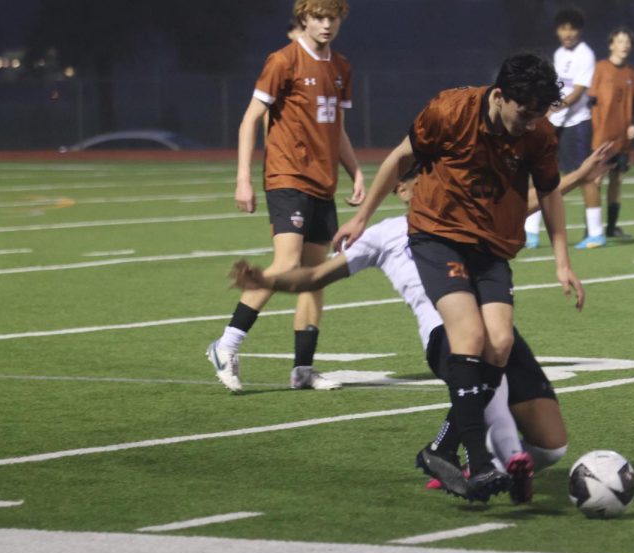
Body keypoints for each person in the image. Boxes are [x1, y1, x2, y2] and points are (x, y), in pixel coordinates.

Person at [229, 147, 609, 502]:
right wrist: (266, 280)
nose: (433, 182)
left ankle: (465, 457)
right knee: (481, 356)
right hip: (446, 333)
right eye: (422, 176)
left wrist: (578, 176)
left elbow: (521, 204)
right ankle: (500, 459)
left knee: (551, 445)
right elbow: (314, 278)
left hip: (496, 329)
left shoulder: (461, 215)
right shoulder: (384, 235)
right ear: (403, 189)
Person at [332, 54, 584, 502]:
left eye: (539, 114)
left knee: (500, 343)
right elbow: (398, 158)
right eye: (525, 113)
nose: (530, 124)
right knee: (468, 336)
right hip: (437, 236)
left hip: (491, 246)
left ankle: (441, 449)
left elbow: (549, 194)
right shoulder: (450, 110)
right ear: (501, 96)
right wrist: (362, 218)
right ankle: (480, 462)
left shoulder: (539, 132)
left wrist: (562, 261)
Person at [205, 0, 365, 394]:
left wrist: (356, 171)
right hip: (287, 177)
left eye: (333, 18)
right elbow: (250, 119)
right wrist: (243, 178)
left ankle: (303, 370)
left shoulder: (341, 67)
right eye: (319, 17)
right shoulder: (283, 61)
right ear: (303, 19)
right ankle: (226, 345)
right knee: (287, 264)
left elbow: (336, 128)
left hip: (322, 184)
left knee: (314, 277)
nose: (326, 25)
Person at [524, 7, 603, 250]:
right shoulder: (559, 54)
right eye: (563, 28)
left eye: (572, 28)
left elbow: (579, 91)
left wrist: (554, 108)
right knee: (538, 172)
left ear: (579, 31)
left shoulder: (585, 54)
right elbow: (555, 87)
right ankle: (530, 233)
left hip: (576, 124)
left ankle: (596, 233)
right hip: (554, 120)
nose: (567, 33)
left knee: (584, 176)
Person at [588, 26, 634, 241]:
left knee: (617, 180)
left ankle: (611, 227)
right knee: (596, 180)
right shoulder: (600, 68)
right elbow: (591, 100)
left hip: (623, 138)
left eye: (627, 42)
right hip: (602, 136)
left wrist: (633, 125)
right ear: (611, 45)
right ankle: (592, 229)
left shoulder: (632, 73)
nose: (624, 46)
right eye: (620, 41)